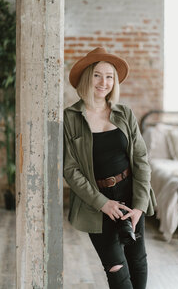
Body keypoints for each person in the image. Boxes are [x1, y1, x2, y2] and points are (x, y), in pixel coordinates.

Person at [63, 47, 156, 289]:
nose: (104, 82)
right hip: (96, 202)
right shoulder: (70, 118)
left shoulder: (124, 113)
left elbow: (141, 160)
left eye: (109, 76)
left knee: (138, 260)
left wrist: (138, 207)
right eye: (97, 75)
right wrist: (103, 203)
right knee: (116, 266)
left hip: (130, 193)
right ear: (86, 77)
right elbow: (71, 170)